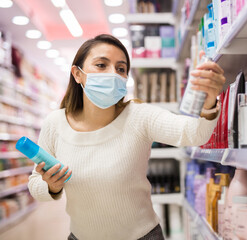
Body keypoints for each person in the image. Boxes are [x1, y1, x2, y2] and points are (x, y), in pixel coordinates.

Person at [28, 34, 225, 240]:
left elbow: (195, 133)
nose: (113, 74)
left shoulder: (139, 116)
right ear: (78, 74)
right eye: (101, 65)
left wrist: (209, 102)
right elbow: (35, 183)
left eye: (120, 69)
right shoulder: (55, 123)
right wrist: (51, 186)